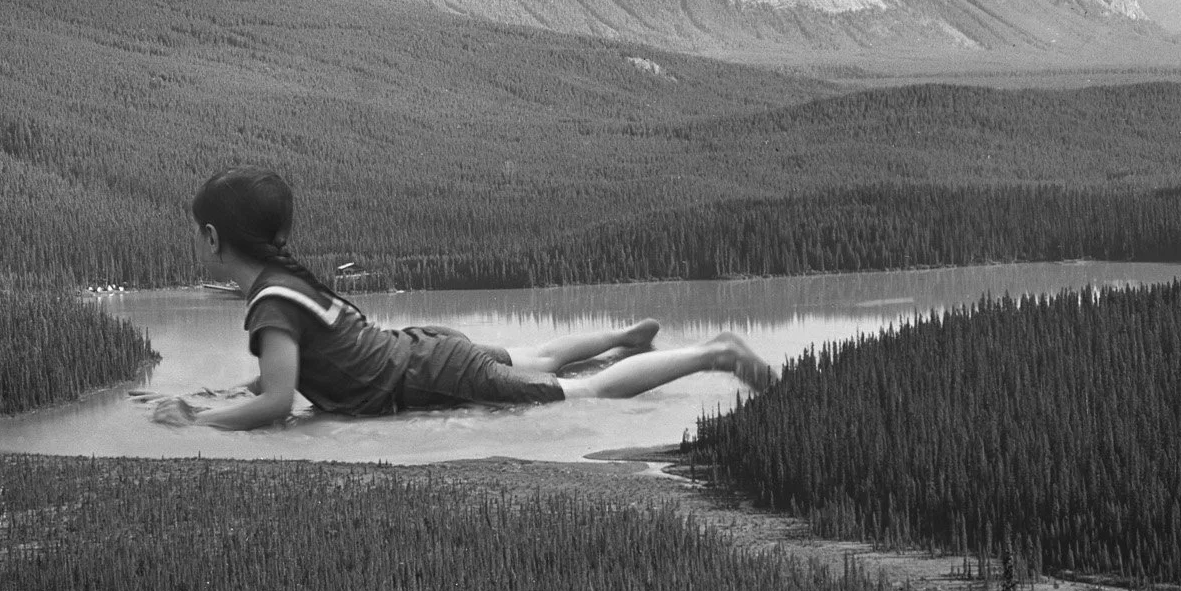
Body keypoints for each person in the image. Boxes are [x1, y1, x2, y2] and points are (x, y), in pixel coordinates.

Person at [131, 166, 777, 431]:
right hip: (425, 349)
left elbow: (277, 401)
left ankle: (714, 352)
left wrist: (195, 420)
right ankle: (622, 338)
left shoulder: (269, 301)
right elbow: (281, 378)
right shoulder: (289, 282)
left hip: (433, 372)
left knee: (584, 391)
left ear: (213, 238)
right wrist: (225, 394)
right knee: (542, 355)